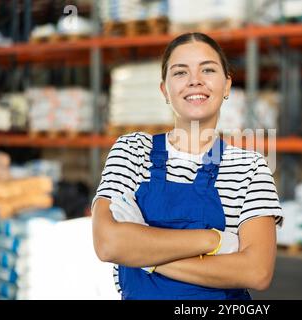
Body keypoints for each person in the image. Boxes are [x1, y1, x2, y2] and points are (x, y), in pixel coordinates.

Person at [91, 32, 283, 300]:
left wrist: (146, 256)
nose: (195, 80)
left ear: (227, 85)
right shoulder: (132, 150)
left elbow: (256, 271)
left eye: (208, 69)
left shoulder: (250, 168)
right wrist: (214, 241)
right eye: (180, 72)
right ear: (164, 90)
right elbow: (108, 243)